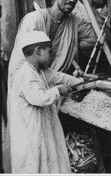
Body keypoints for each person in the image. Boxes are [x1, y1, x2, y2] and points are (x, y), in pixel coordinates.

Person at [8, 31, 84, 173]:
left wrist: (80, 82)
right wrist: (58, 90)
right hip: (30, 134)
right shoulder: (26, 74)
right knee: (33, 165)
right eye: (49, 52)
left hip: (41, 130)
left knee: (47, 163)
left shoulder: (40, 71)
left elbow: (60, 77)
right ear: (38, 50)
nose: (52, 56)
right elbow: (39, 98)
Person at [8, 0, 96, 90]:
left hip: (55, 84)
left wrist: (90, 5)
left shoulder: (74, 22)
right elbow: (20, 63)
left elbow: (100, 37)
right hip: (29, 85)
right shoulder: (34, 20)